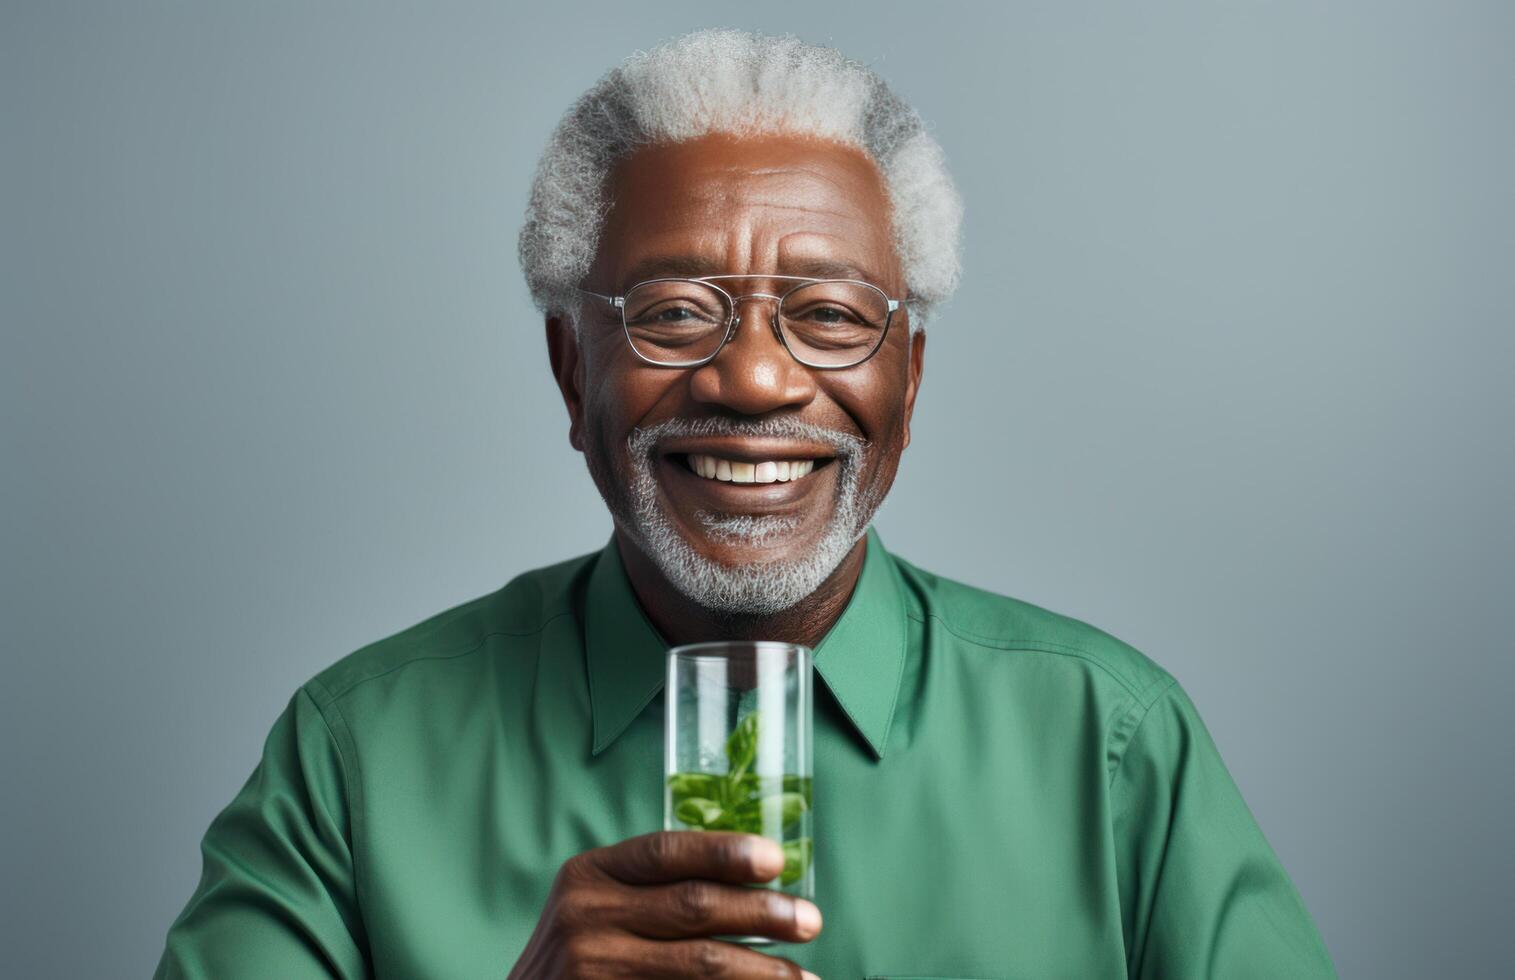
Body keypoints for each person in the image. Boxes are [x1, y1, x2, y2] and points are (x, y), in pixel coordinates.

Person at [155, 29, 1336, 979]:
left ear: (908, 385)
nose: (756, 379)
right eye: (673, 311)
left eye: (827, 314)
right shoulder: (357, 754)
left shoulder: (1112, 744)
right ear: (575, 375)